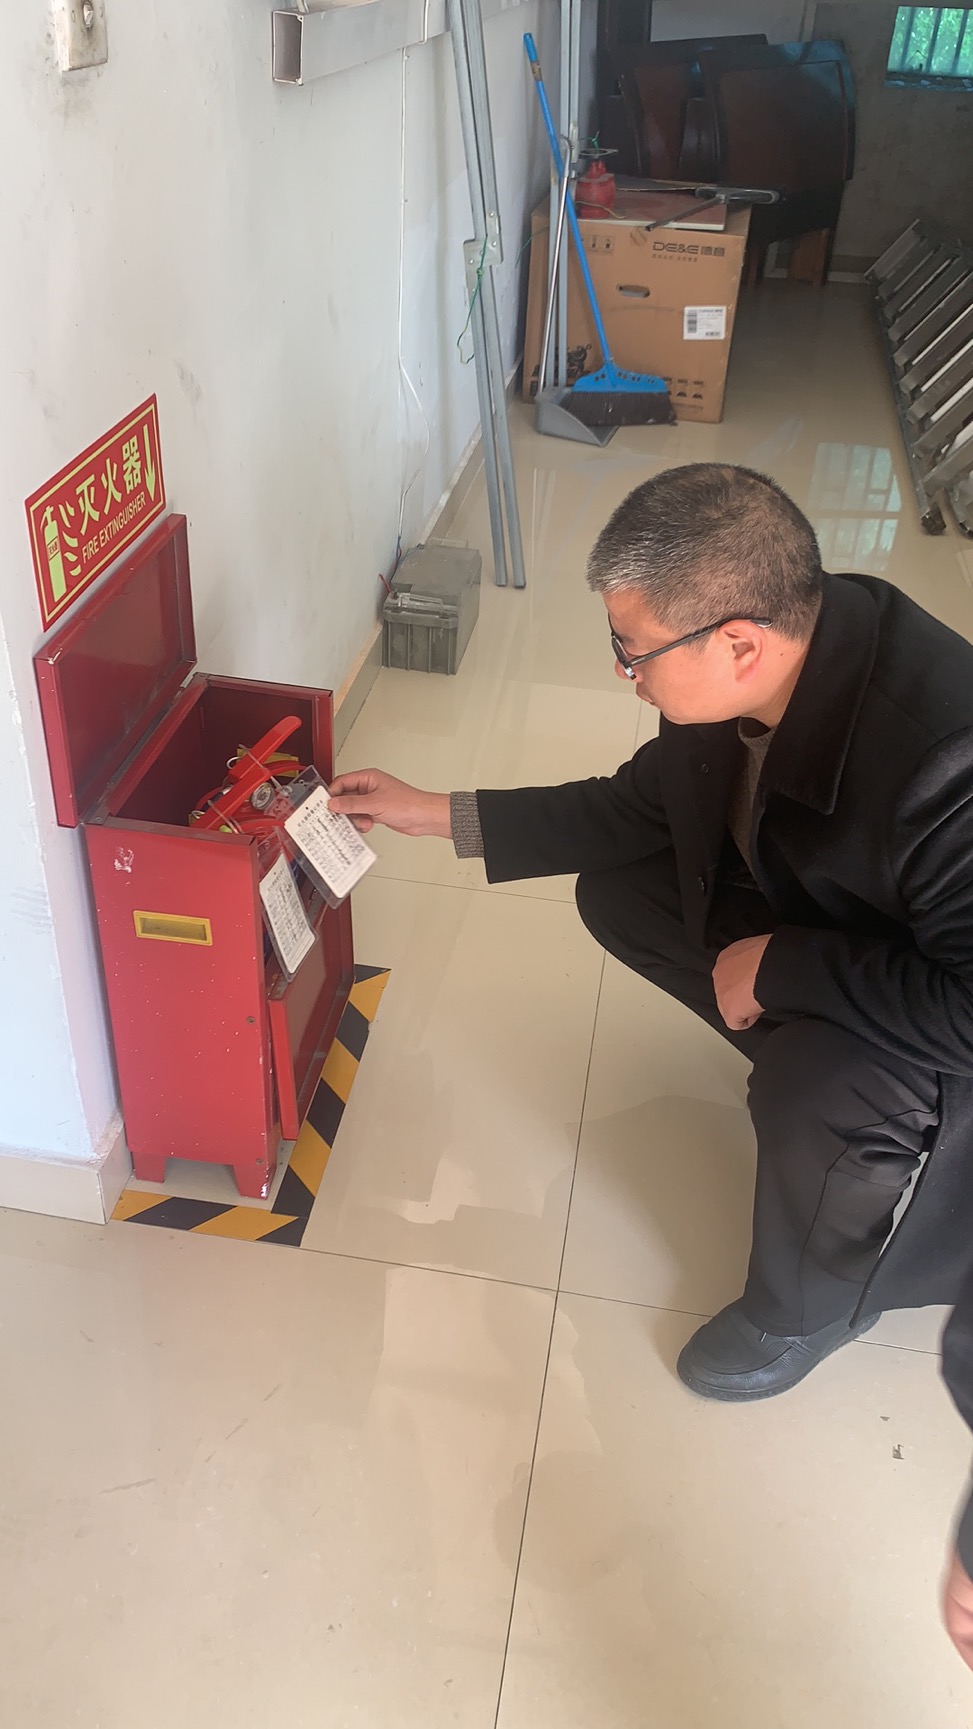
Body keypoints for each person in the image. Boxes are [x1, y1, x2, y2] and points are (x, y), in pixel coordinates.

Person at [329, 462, 973, 1642]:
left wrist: (785, 969)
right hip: (851, 941)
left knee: (821, 1083)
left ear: (737, 642)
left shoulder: (943, 758)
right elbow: (634, 808)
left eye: (632, 654)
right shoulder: (772, 654)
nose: (618, 674)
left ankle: (809, 1302)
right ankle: (806, 1074)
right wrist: (435, 811)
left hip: (947, 1037)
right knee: (622, 886)